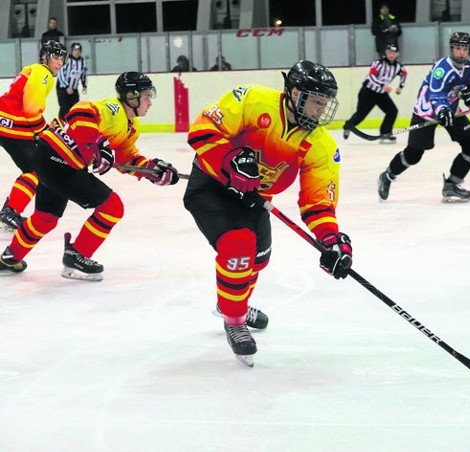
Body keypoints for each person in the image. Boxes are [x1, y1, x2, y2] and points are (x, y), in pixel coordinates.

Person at [184, 60, 352, 366]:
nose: (320, 111)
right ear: (295, 93)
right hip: (211, 186)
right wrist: (230, 158)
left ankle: (235, 302)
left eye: (324, 104)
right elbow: (202, 130)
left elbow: (318, 203)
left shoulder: (320, 145)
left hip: (254, 198)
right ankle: (234, 319)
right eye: (315, 102)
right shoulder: (252, 99)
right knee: (239, 247)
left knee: (259, 258)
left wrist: (331, 239)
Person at [0, 72, 180, 280]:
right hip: (60, 160)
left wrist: (152, 170)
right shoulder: (113, 110)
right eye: (147, 96)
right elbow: (79, 111)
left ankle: (11, 256)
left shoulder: (131, 127)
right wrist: (98, 143)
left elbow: (126, 159)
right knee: (112, 207)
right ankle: (76, 256)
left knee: (45, 217)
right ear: (132, 97)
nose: (150, 102)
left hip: (49, 160)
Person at [377, 32, 470, 203]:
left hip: (452, 109)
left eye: (465, 48)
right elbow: (436, 94)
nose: (461, 53)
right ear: (452, 49)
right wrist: (442, 110)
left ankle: (451, 185)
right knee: (414, 155)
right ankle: (388, 175)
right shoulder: (442, 69)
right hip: (426, 111)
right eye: (458, 48)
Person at [0, 41, 67, 232]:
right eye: (56, 57)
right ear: (45, 57)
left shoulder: (32, 69)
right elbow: (31, 109)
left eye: (62, 58)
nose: (60, 63)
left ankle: (10, 208)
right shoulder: (43, 73)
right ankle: (10, 211)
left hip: (6, 124)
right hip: (13, 127)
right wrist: (43, 131)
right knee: (36, 170)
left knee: (33, 169)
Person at [343, 43, 407, 144]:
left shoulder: (398, 66)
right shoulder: (378, 63)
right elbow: (372, 76)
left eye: (394, 53)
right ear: (386, 53)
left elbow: (404, 74)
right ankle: (348, 126)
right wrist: (382, 85)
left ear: (397, 54)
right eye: (390, 52)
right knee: (361, 114)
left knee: (392, 111)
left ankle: (385, 133)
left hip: (381, 94)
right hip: (368, 92)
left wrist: (400, 86)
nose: (391, 55)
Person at [56, 42, 88, 119]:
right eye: (75, 50)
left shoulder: (82, 62)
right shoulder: (66, 60)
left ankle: (73, 124)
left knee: (75, 107)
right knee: (64, 108)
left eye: (78, 50)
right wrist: (67, 86)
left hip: (73, 88)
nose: (77, 52)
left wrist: (84, 85)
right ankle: (61, 125)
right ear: (72, 51)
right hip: (62, 87)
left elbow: (83, 74)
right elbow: (60, 74)